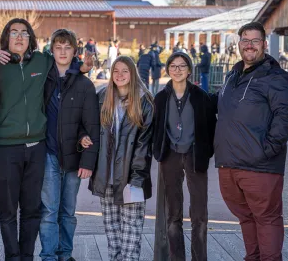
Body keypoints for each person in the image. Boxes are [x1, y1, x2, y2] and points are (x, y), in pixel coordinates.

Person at [0, 18, 93, 260]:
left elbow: (66, 63)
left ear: (31, 39)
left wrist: (81, 67)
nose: (19, 37)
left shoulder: (43, 61)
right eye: (14, 32)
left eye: (24, 33)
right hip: (7, 147)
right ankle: (13, 256)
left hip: (37, 147)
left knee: (32, 210)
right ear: (6, 37)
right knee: (8, 210)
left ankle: (26, 256)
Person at [215, 22, 288, 261]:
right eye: (245, 41)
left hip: (260, 165)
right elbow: (221, 105)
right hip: (229, 163)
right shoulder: (233, 74)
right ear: (239, 44)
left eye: (255, 41)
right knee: (246, 217)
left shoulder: (276, 77)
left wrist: (268, 149)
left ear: (264, 44)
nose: (249, 45)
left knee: (266, 218)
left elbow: (287, 115)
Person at [39, 29, 100, 261]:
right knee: (49, 211)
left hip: (74, 157)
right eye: (58, 47)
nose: (62, 52)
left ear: (75, 51)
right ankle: (48, 256)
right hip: (48, 155)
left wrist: (88, 160)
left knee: (68, 212)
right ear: (51, 50)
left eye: (67, 48)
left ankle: (65, 254)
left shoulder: (84, 85)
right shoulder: (44, 79)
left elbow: (91, 125)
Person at [85, 56, 154, 261]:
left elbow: (144, 146)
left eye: (125, 71)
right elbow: (89, 128)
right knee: (113, 234)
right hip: (106, 177)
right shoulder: (102, 98)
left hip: (132, 179)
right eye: (116, 71)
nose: (120, 75)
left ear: (132, 74)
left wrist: (136, 180)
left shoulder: (144, 101)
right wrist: (83, 137)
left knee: (130, 237)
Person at [153, 52, 216, 260]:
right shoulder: (161, 98)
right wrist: (158, 150)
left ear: (189, 70)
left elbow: (210, 126)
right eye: (173, 66)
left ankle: (199, 257)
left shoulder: (200, 96)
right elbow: (156, 127)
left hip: (194, 154)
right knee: (173, 213)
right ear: (168, 69)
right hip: (170, 155)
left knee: (199, 213)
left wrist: (205, 152)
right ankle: (176, 257)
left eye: (182, 66)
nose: (177, 70)